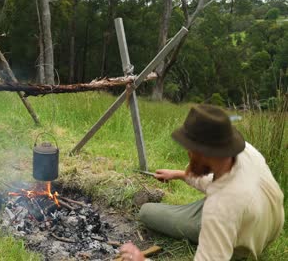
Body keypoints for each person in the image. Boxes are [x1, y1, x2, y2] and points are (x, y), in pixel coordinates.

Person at [119, 104, 284, 261]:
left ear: (204, 151)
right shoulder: (245, 151)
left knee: (147, 212)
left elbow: (224, 203)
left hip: (243, 243)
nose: (188, 153)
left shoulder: (220, 209)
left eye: (190, 148)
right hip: (264, 225)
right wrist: (179, 174)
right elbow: (221, 186)